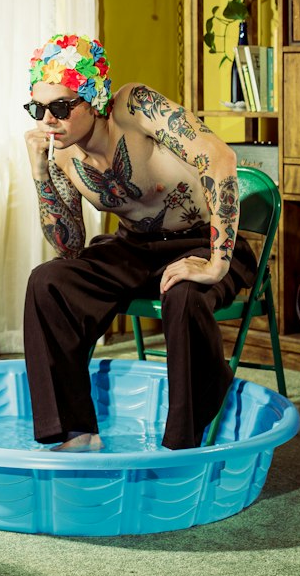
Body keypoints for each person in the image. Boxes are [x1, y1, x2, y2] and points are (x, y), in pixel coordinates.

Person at [22, 33, 257, 452]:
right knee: (48, 282)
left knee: (184, 294)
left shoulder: (135, 107)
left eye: (60, 107)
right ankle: (78, 432)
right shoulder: (61, 154)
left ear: (93, 101)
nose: (47, 120)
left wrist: (217, 264)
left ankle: (182, 444)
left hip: (204, 242)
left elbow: (220, 158)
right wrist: (40, 174)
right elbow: (71, 246)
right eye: (37, 108)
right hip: (134, 248)